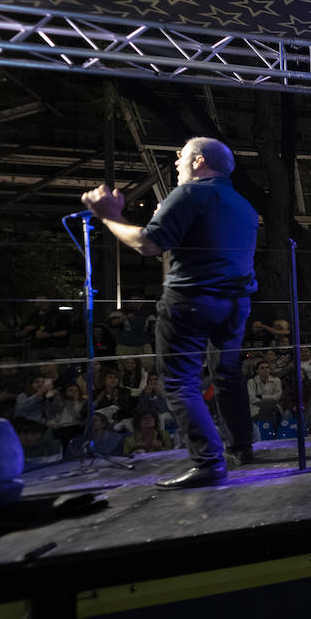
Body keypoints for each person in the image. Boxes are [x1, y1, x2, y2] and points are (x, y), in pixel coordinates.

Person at [81, 136, 258, 488]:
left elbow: (148, 244)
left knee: (179, 382)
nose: (176, 162)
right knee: (227, 375)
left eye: (181, 156)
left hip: (190, 300)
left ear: (199, 161)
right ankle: (241, 447)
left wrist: (109, 217)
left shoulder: (191, 193)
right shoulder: (242, 204)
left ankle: (208, 463)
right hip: (234, 303)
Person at [248, 361, 283, 432]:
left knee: (272, 412)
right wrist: (268, 401)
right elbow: (251, 398)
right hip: (256, 407)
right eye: (262, 368)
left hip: (273, 407)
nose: (265, 369)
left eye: (267, 368)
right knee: (265, 411)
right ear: (257, 371)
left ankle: (273, 434)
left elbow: (277, 397)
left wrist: (261, 397)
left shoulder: (276, 380)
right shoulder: (251, 381)